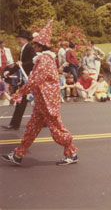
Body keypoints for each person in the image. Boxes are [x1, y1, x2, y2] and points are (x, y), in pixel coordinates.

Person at [1, 21, 78, 166]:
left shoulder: (44, 60)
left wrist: (19, 93)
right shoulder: (43, 59)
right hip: (41, 100)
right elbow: (34, 80)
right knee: (32, 128)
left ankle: (72, 152)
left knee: (57, 130)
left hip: (48, 101)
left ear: (40, 46)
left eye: (35, 45)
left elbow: (34, 79)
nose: (33, 47)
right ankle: (18, 154)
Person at [2, 30, 36, 131]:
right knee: (25, 101)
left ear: (25, 39)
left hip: (29, 79)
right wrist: (9, 71)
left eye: (20, 38)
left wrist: (23, 64)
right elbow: (19, 64)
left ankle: (15, 124)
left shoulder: (29, 48)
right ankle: (15, 123)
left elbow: (33, 61)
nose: (18, 40)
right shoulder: (23, 49)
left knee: (27, 101)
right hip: (26, 80)